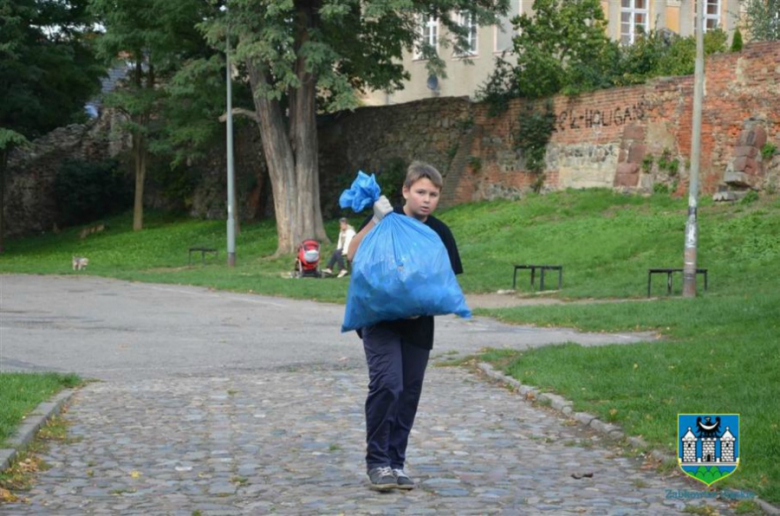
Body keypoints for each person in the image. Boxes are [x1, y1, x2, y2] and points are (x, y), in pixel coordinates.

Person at [346, 161, 463, 491]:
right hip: (380, 323)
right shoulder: (386, 221)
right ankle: (377, 462)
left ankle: (396, 462)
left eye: (433, 194)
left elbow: (444, 283)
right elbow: (352, 255)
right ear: (405, 191)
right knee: (388, 385)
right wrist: (375, 220)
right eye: (420, 192)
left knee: (408, 395)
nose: (426, 199)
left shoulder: (439, 232)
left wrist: (421, 303)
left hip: (418, 328)